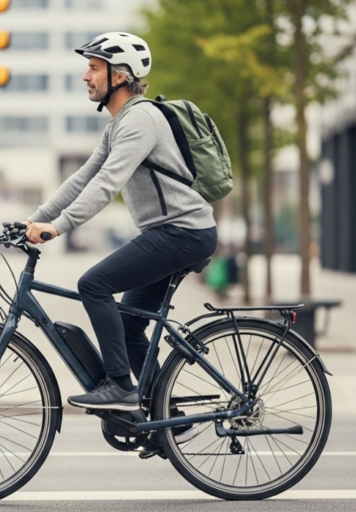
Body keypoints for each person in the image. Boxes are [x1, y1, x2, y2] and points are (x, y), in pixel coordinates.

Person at [25, 32, 218, 411]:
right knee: (130, 325)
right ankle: (164, 414)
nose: (86, 76)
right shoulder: (117, 126)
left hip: (183, 233)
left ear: (121, 75)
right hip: (172, 233)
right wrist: (32, 220)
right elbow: (82, 179)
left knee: (93, 285)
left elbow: (107, 183)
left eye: (94, 68)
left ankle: (119, 385)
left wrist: (59, 227)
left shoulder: (140, 120)